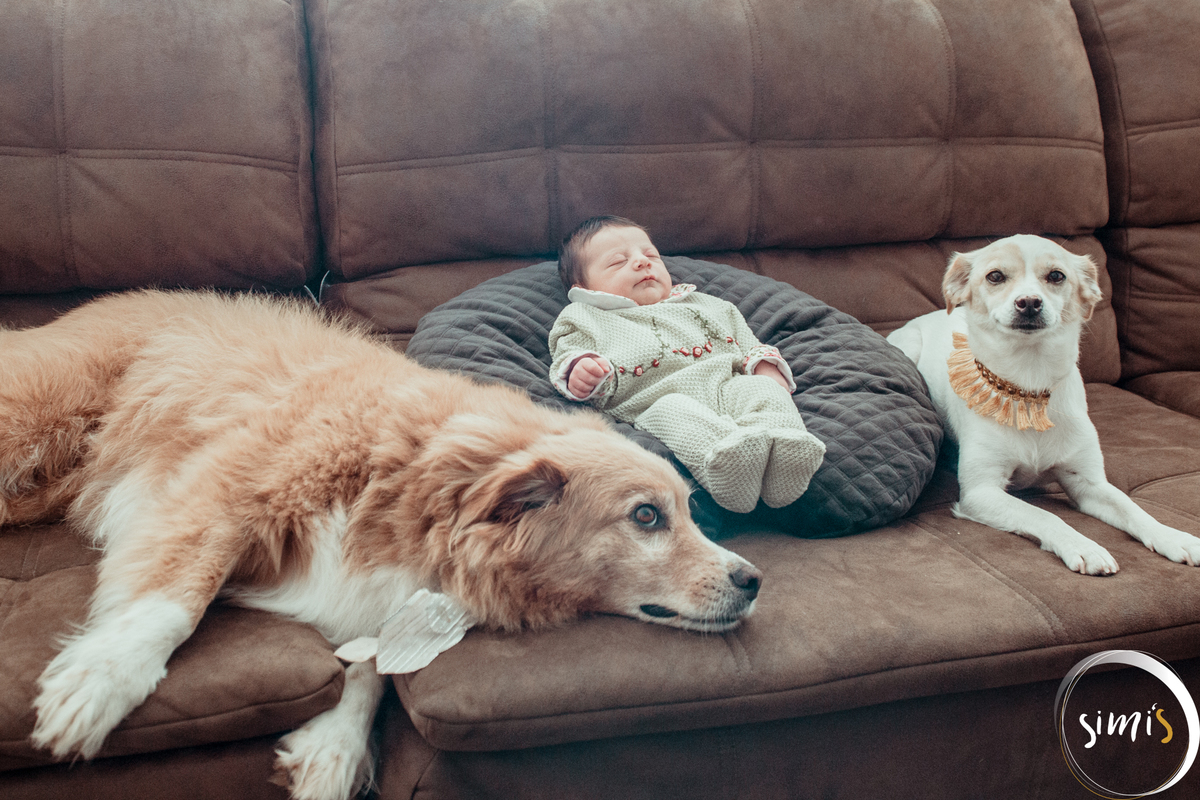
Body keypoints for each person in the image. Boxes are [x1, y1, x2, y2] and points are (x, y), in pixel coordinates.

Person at [548, 215, 825, 513]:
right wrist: (582, 369)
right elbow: (567, 352)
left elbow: (749, 345)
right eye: (618, 262)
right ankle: (727, 467)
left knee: (763, 392)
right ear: (584, 288)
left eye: (650, 255)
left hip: (726, 386)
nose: (642, 262)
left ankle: (785, 448)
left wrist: (765, 369)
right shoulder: (583, 315)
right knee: (676, 413)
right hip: (655, 400)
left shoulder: (706, 304)